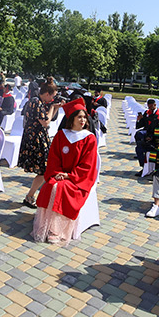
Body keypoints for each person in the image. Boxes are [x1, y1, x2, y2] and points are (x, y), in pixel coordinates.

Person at [32, 91, 99, 241]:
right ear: (72, 119)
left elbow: (88, 165)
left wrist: (69, 175)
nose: (83, 120)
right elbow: (54, 158)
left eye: (84, 117)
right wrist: (57, 173)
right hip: (59, 173)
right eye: (79, 117)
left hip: (78, 179)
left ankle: (58, 230)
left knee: (61, 188)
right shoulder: (62, 135)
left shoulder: (89, 139)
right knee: (50, 185)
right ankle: (47, 225)